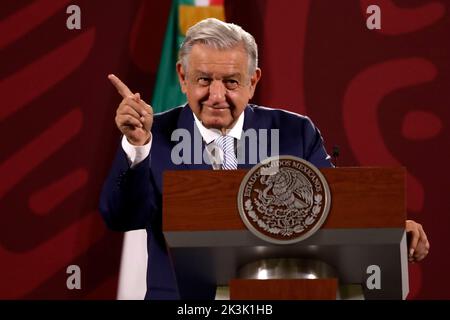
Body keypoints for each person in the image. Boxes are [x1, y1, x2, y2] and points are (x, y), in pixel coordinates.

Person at [99, 18, 429, 299]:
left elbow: (333, 211)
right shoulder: (153, 134)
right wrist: (138, 145)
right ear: (182, 78)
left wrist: (391, 228)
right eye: (203, 80)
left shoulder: (294, 132)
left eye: (230, 82)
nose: (216, 96)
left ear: (253, 81)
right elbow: (120, 217)